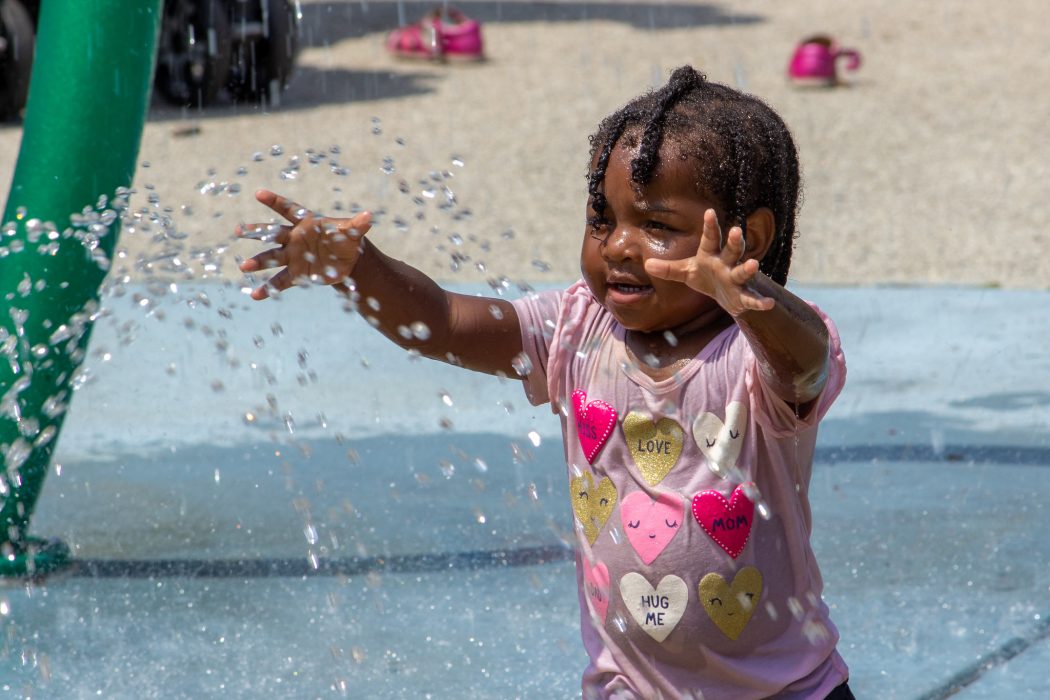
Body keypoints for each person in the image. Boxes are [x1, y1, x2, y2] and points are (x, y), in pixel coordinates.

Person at [237, 65, 853, 700]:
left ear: (743, 239)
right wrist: (359, 268)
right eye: (601, 219)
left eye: (656, 226)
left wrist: (754, 299)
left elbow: (806, 364)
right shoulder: (576, 331)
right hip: (629, 690)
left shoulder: (758, 361)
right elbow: (444, 321)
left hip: (790, 691)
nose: (617, 246)